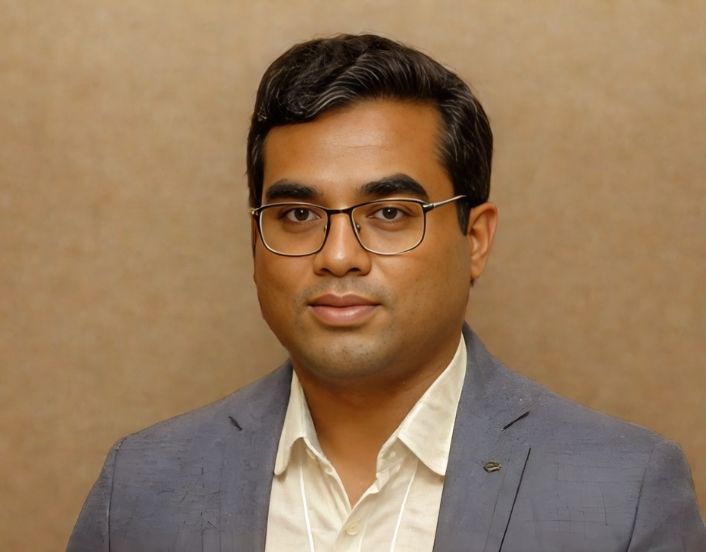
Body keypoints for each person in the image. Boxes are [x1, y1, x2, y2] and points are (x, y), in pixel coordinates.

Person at [68, 33, 705, 551]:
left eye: (391, 213)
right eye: (297, 215)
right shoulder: (141, 489)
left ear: (475, 239)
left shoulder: (623, 492)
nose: (337, 256)